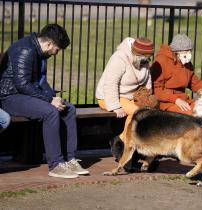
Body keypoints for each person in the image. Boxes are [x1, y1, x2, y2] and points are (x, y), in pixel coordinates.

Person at [0, 24, 89, 178]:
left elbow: (41, 81)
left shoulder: (40, 52)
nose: (56, 53)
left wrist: (53, 97)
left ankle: (70, 159)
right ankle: (55, 165)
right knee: (50, 112)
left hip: (25, 93)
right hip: (9, 96)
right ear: (49, 44)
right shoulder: (25, 50)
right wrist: (49, 100)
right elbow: (22, 84)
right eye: (57, 49)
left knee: (69, 109)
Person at [96, 37, 155, 171]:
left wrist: (147, 96)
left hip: (130, 96)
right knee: (137, 113)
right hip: (110, 96)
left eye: (148, 57)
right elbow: (110, 83)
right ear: (136, 52)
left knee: (145, 113)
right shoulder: (119, 58)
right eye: (144, 56)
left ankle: (123, 142)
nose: (146, 60)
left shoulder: (143, 60)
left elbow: (148, 79)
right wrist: (115, 105)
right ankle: (123, 145)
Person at [151, 33, 202, 115]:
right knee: (191, 114)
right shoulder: (162, 61)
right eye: (186, 50)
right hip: (165, 101)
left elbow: (195, 83)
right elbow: (157, 90)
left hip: (183, 100)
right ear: (176, 51)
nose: (189, 53)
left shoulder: (187, 63)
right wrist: (175, 100)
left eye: (190, 50)